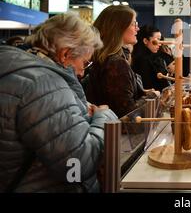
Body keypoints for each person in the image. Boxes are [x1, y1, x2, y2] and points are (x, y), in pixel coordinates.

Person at [0, 13, 118, 193]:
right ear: (65, 54)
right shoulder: (44, 85)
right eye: (84, 63)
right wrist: (104, 117)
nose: (81, 73)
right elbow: (77, 164)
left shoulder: (19, 70)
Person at [86, 5, 152, 118]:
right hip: (114, 133)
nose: (138, 28)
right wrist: (151, 97)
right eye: (133, 24)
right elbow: (128, 115)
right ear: (118, 27)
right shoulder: (115, 64)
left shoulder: (102, 59)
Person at [131, 25, 174, 92]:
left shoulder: (156, 57)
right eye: (157, 40)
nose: (160, 44)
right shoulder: (141, 61)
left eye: (160, 40)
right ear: (145, 41)